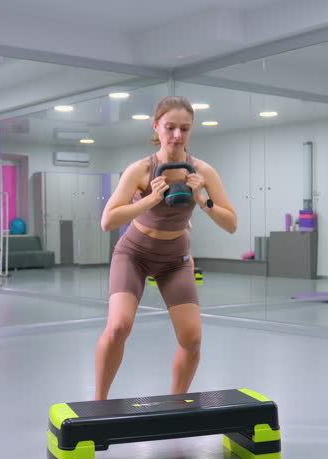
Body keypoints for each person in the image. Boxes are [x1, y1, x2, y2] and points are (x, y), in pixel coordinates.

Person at [95, 96, 237, 400]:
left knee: (192, 339)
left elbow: (231, 223)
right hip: (133, 254)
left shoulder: (202, 172)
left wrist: (203, 200)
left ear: (191, 130)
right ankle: (98, 403)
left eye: (184, 129)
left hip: (175, 259)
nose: (176, 135)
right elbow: (107, 221)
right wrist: (149, 199)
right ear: (156, 126)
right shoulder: (141, 170)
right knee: (119, 326)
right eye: (170, 127)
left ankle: (176, 404)